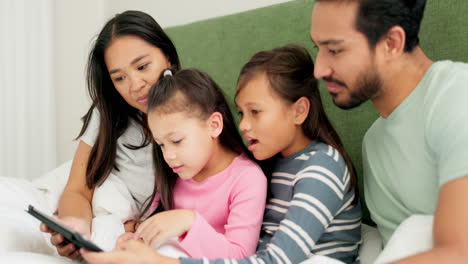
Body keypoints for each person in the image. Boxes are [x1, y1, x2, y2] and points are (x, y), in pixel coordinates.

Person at [82, 44, 362, 264]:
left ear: (299, 111)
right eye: (241, 112)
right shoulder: (275, 163)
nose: (243, 125)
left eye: (256, 112)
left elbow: (277, 260)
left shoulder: (322, 167)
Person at [309, 0, 468, 263]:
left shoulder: (457, 96)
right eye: (319, 48)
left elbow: (459, 252)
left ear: (392, 43)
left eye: (334, 50)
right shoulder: (373, 143)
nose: (319, 69)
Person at [39, 10, 181, 260]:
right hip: (104, 189)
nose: (135, 84)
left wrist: (137, 227)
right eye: (120, 77)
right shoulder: (109, 113)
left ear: (168, 57)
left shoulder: (193, 108)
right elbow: (78, 189)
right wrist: (77, 228)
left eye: (142, 66)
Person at [130, 67, 267, 258]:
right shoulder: (172, 173)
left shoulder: (247, 179)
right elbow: (149, 228)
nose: (168, 155)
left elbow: (240, 256)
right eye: (161, 145)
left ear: (214, 125)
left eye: (177, 141)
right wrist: (132, 239)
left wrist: (189, 221)